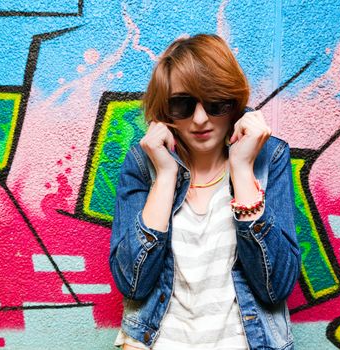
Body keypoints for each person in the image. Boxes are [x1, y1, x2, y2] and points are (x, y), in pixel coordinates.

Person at [109, 34, 300, 350]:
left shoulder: (269, 158)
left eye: (215, 103)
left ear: (234, 102)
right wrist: (166, 175)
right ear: (165, 110)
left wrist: (242, 170)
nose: (200, 119)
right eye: (182, 104)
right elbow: (133, 283)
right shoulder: (144, 163)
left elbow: (275, 287)